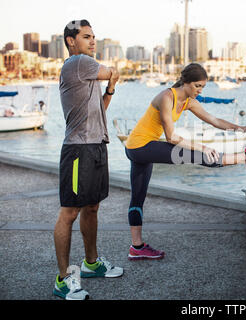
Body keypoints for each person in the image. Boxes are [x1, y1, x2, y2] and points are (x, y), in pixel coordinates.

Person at [124, 63, 246, 260]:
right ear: (185, 82)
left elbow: (214, 121)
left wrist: (241, 128)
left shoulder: (189, 101)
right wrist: (203, 146)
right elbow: (171, 137)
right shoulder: (167, 97)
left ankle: (136, 248)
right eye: (197, 86)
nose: (200, 90)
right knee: (199, 155)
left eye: (203, 87)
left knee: (138, 198)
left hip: (140, 148)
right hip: (139, 146)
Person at [53, 19, 123, 300]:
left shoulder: (88, 72)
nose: (93, 41)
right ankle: (62, 279)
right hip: (78, 149)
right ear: (71, 41)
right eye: (86, 36)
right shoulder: (78, 63)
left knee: (92, 207)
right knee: (69, 213)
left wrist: (110, 90)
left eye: (94, 37)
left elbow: (100, 110)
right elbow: (113, 71)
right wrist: (112, 77)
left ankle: (91, 264)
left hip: (96, 145)